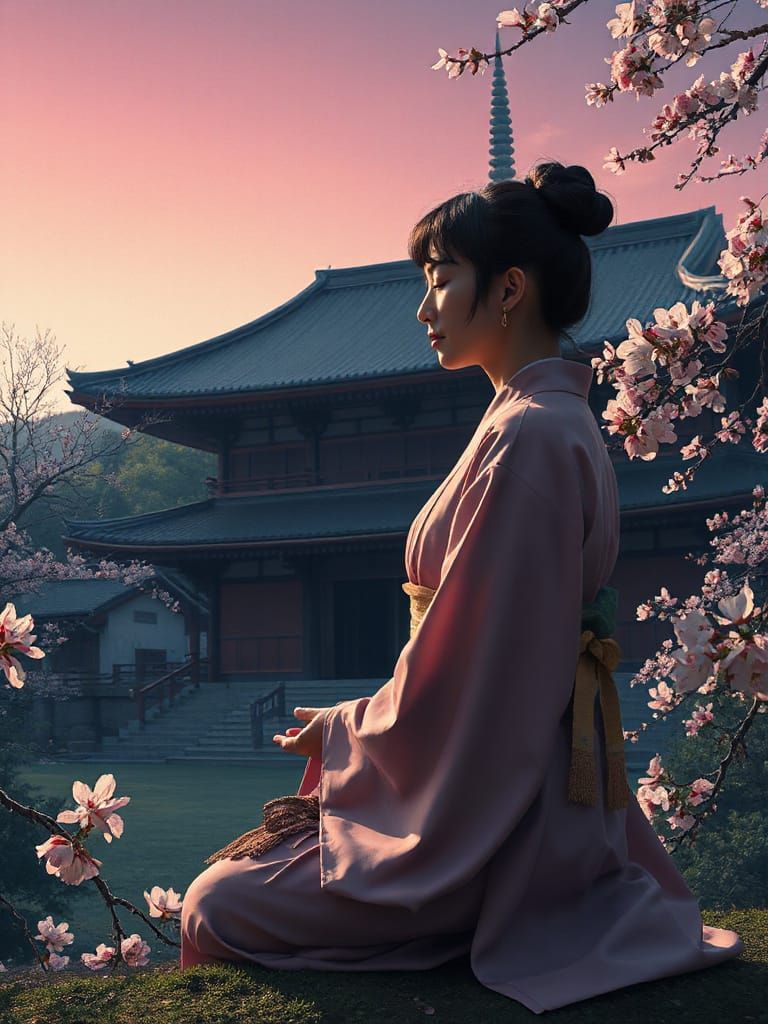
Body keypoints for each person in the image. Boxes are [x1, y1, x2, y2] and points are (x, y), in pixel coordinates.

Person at [179, 162, 743, 1013]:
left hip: (507, 818)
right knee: (229, 888)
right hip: (524, 784)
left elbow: (479, 682)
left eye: (441, 281)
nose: (423, 308)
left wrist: (342, 728)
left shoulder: (529, 439)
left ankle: (459, 910)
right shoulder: (537, 421)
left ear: (509, 288)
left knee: (215, 903)